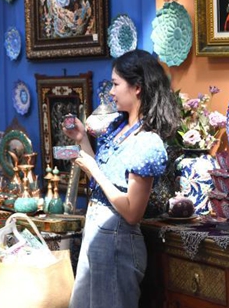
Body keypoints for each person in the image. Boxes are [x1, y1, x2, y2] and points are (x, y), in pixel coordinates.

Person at [63, 49, 180, 308]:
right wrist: (82, 139)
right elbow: (102, 184)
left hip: (117, 244)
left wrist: (93, 169)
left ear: (137, 87)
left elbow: (132, 213)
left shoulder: (147, 142)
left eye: (116, 84)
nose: (112, 92)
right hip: (96, 236)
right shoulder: (118, 128)